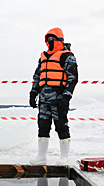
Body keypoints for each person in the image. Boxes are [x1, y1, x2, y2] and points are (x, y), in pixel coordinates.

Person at [29, 27, 78, 165]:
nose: (50, 41)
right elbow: (38, 76)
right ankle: (41, 155)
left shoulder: (67, 56)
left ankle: (64, 156)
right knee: (43, 125)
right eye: (48, 39)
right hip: (43, 98)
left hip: (59, 97)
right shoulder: (43, 57)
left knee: (61, 125)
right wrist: (33, 92)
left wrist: (66, 97)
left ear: (59, 40)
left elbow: (73, 78)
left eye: (53, 39)